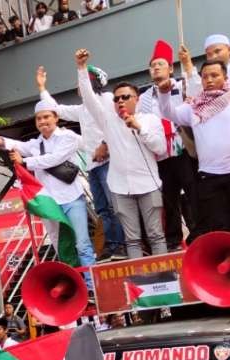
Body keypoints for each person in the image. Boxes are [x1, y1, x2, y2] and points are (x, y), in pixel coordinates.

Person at [0, 104, 97, 282]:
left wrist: (25, 162)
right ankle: (77, 285)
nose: (43, 121)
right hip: (49, 203)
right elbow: (18, 145)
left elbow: (54, 159)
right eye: (39, 118)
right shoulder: (37, 144)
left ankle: (92, 286)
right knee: (61, 246)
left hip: (72, 199)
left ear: (56, 118)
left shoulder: (68, 136)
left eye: (46, 117)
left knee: (82, 243)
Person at [158, 59, 230, 240]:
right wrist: (164, 95)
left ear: (225, 77)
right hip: (209, 175)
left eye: (215, 75)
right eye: (205, 76)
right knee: (220, 227)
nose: (209, 80)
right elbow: (170, 114)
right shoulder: (194, 107)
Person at [74, 49, 168, 258]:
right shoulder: (107, 121)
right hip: (120, 187)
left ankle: (165, 279)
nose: (120, 102)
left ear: (136, 99)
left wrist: (139, 128)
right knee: (132, 239)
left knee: (156, 235)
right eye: (116, 99)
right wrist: (81, 69)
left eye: (126, 97)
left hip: (148, 184)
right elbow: (89, 99)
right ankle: (140, 284)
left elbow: (160, 148)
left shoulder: (150, 120)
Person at [35, 61, 126, 261]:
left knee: (114, 205)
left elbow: (116, 126)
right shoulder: (82, 109)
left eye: (84, 82)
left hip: (109, 162)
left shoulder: (108, 99)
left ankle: (121, 245)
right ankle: (111, 246)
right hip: (93, 166)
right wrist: (42, 88)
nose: (79, 87)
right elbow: (56, 109)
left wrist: (105, 144)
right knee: (102, 208)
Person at [138, 40, 199, 250]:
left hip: (182, 148)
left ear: (171, 68)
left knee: (193, 192)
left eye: (160, 64)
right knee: (169, 197)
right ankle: (173, 239)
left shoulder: (182, 86)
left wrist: (188, 64)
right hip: (161, 154)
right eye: (152, 65)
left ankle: (199, 232)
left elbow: (197, 95)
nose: (155, 67)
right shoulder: (144, 97)